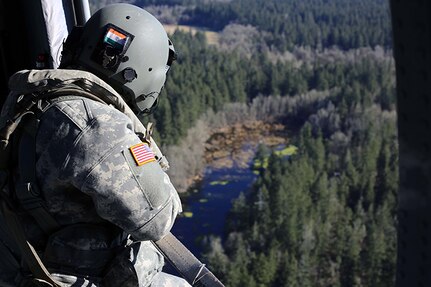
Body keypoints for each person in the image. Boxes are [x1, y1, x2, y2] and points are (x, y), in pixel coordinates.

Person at [0, 3, 191, 287]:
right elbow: (159, 216)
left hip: (19, 266)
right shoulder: (97, 125)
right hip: (60, 277)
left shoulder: (31, 97)